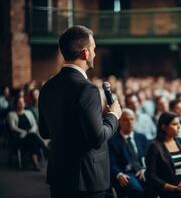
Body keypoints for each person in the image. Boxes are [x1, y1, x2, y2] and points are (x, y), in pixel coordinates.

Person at [38, 25, 122, 198]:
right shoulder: (87, 89)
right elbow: (97, 138)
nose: (95, 53)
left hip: (59, 175)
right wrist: (113, 115)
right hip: (87, 179)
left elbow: (45, 132)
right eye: (94, 49)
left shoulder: (47, 87)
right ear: (85, 53)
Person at [145, 111, 181, 198]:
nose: (179, 127)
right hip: (166, 192)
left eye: (179, 123)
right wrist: (174, 188)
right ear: (164, 127)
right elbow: (151, 176)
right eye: (175, 124)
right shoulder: (154, 146)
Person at [108, 108, 148, 197]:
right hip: (126, 172)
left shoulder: (141, 137)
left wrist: (144, 168)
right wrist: (119, 174)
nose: (130, 122)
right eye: (126, 120)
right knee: (137, 190)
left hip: (142, 170)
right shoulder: (112, 141)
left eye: (132, 119)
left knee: (153, 187)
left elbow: (148, 157)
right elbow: (111, 163)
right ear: (119, 122)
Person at [7, 95, 46, 170]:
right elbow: (13, 128)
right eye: (19, 102)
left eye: (23, 102)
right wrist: (25, 132)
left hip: (30, 135)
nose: (22, 103)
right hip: (20, 138)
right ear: (16, 104)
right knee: (32, 137)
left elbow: (34, 124)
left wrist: (30, 131)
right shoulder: (11, 114)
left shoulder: (28, 112)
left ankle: (35, 162)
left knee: (31, 138)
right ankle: (45, 149)